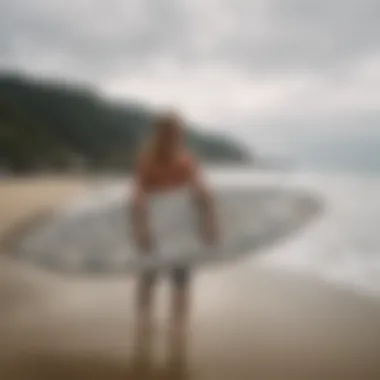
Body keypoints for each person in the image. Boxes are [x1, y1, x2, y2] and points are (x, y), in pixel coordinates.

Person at [130, 110, 218, 339]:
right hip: (155, 229)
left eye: (180, 133)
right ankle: (144, 320)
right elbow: (138, 197)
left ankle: (178, 325)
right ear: (162, 133)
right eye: (175, 132)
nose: (179, 137)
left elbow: (202, 195)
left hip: (180, 231)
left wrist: (209, 223)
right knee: (148, 276)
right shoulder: (148, 160)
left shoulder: (185, 161)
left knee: (181, 280)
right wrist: (141, 229)